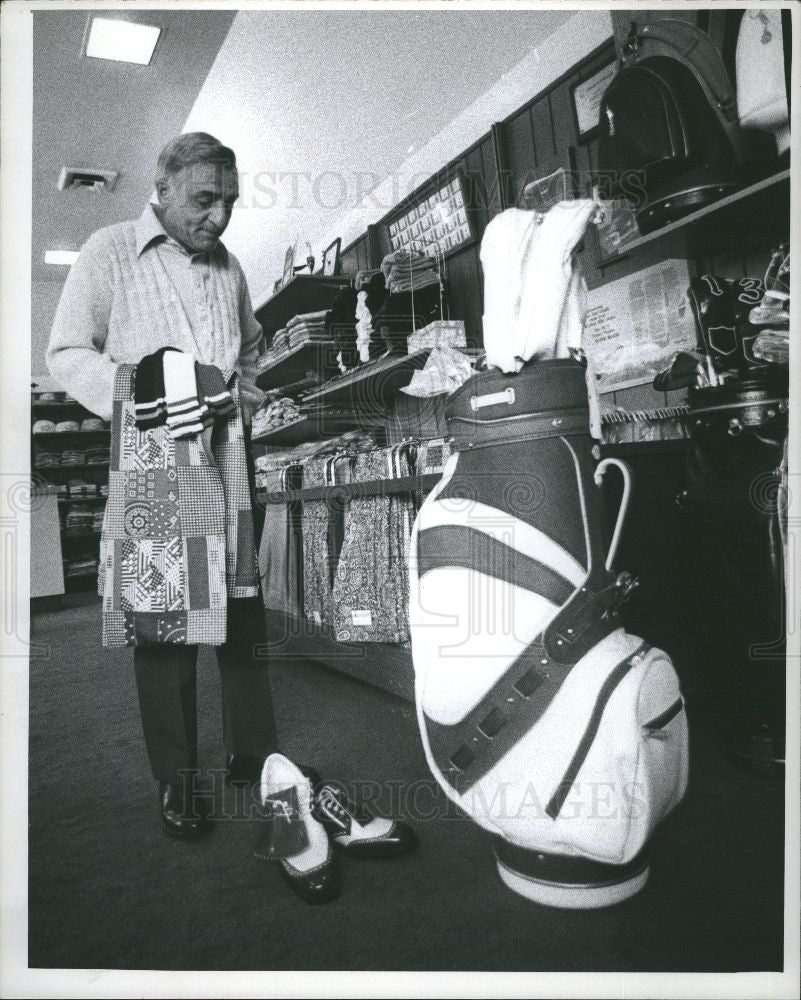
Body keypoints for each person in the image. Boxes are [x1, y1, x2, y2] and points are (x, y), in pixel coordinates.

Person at [47, 132, 281, 840]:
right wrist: (138, 392)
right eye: (204, 199)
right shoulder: (109, 249)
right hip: (155, 455)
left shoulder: (230, 266)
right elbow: (63, 352)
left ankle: (257, 756)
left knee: (241, 616)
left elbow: (253, 344)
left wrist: (246, 387)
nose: (218, 217)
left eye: (229, 203)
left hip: (228, 457)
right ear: (163, 187)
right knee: (165, 624)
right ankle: (175, 780)